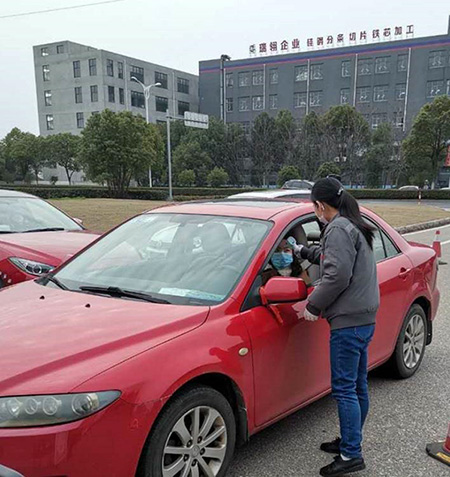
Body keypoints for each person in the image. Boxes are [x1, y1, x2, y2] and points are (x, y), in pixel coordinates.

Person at [288, 177, 379, 477]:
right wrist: (303, 251)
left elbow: (337, 274)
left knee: (344, 389)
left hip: (348, 323)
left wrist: (313, 306)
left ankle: (351, 453)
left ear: (320, 205)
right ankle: (350, 440)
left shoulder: (338, 228)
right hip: (363, 318)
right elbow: (331, 258)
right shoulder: (352, 223)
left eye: (314, 207)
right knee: (357, 385)